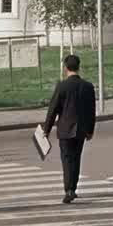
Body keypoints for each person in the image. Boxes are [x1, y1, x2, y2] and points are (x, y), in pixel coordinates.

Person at [43, 54, 96, 204]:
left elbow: (53, 109)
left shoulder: (62, 86)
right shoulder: (87, 86)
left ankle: (69, 190)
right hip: (80, 130)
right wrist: (90, 130)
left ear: (66, 68)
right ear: (79, 67)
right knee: (76, 158)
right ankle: (73, 187)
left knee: (67, 159)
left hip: (65, 129)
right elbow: (91, 111)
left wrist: (46, 130)